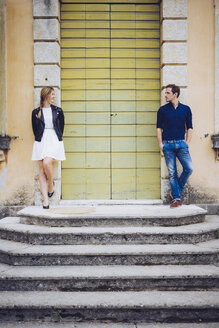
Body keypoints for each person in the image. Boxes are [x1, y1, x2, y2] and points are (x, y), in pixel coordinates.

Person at [156, 84, 193, 208]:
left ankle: (175, 191)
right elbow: (159, 128)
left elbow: (190, 128)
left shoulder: (186, 109)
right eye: (165, 93)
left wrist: (187, 143)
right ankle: (176, 199)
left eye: (167, 93)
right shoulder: (162, 110)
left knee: (189, 169)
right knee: (172, 173)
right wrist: (160, 144)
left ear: (175, 94)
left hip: (181, 143)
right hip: (167, 144)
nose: (165, 95)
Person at [31, 87, 65, 209]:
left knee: (47, 162)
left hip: (54, 139)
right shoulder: (35, 112)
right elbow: (35, 130)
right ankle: (45, 200)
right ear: (46, 96)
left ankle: (51, 184)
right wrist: (41, 138)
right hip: (41, 140)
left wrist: (56, 139)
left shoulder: (58, 111)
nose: (54, 97)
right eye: (52, 94)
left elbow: (61, 127)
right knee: (41, 171)